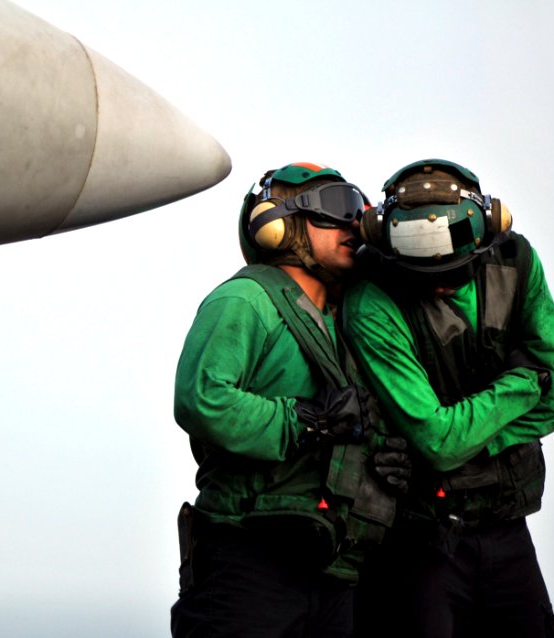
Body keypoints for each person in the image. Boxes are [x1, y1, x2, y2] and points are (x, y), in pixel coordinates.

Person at [342, 159, 554, 638]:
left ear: (489, 231)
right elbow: (437, 442)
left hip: (507, 525)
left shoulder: (517, 263)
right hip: (419, 539)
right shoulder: (371, 299)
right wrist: (519, 385)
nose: (438, 281)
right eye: (421, 273)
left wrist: (461, 440)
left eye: (457, 269)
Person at [170, 162, 411, 637]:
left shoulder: (351, 321)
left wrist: (385, 460)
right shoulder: (245, 300)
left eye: (358, 210)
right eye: (336, 208)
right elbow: (201, 399)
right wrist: (306, 420)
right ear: (278, 225)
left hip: (334, 569)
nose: (353, 223)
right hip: (249, 563)